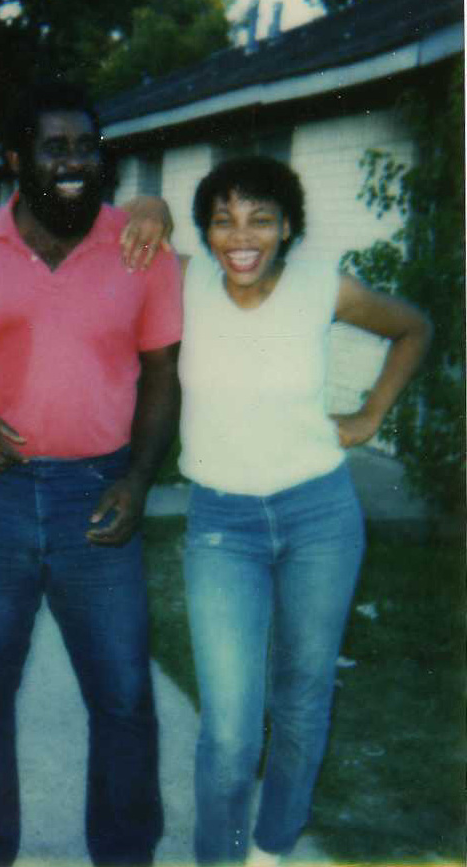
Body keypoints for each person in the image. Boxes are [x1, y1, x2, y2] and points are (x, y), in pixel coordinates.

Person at [0, 79, 181, 867]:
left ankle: (125, 857)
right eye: (53, 147)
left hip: (101, 496)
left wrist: (141, 478)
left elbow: (162, 374)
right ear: (15, 159)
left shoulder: (139, 248)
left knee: (123, 699)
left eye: (86, 146)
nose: (73, 162)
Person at [163, 155, 431, 865]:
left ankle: (272, 849)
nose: (239, 236)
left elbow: (413, 329)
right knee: (230, 730)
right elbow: (142, 227)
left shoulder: (322, 286)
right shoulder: (186, 280)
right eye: (222, 220)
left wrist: (372, 414)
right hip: (223, 526)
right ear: (207, 232)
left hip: (320, 518)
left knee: (304, 698)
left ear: (287, 227)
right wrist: (147, 213)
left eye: (259, 218)